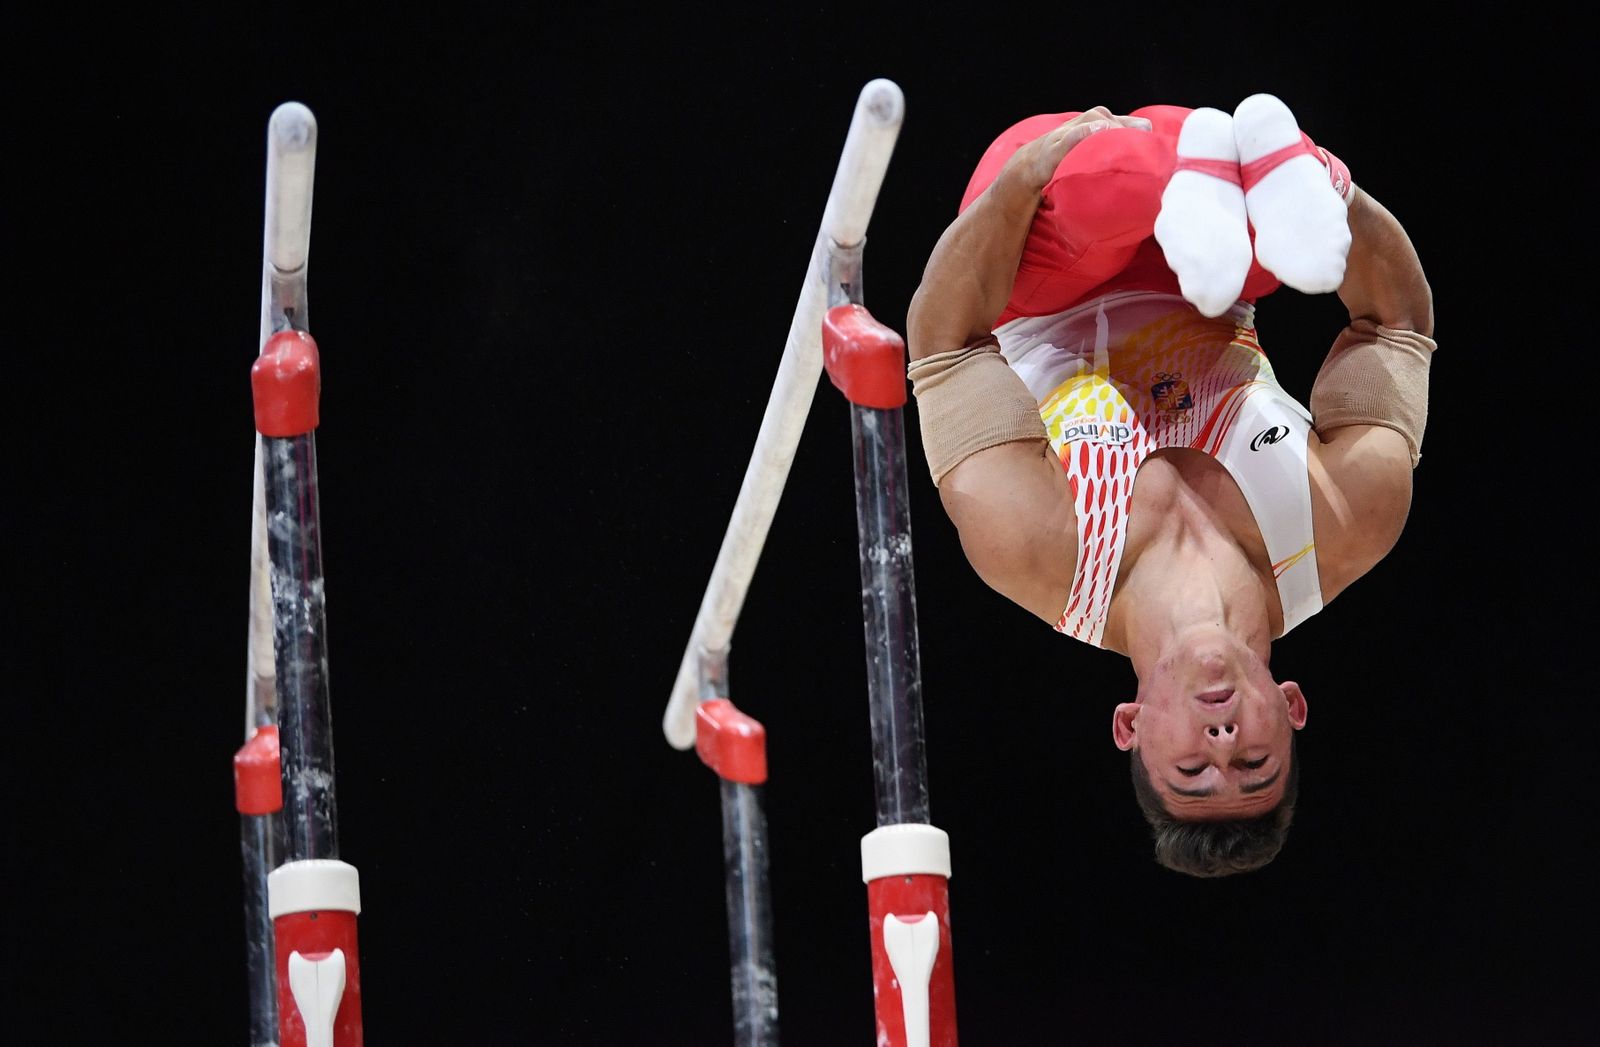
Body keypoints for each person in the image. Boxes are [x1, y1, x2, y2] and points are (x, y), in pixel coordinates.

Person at [905, 96, 1434, 877]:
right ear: (1292, 708)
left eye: (1193, 771)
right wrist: (1339, 200)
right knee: (1293, 229)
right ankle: (1275, 172)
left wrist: (1018, 184)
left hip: (1038, 268)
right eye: (1255, 763)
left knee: (1117, 183)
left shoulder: (1039, 555)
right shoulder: (1347, 525)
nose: (1222, 745)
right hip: (1215, 273)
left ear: (1129, 725)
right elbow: (1397, 324)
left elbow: (944, 344)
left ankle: (1223, 173)